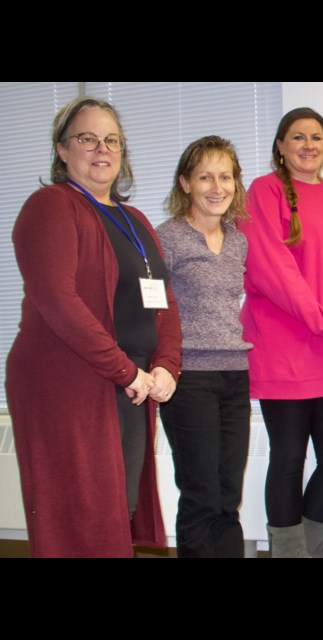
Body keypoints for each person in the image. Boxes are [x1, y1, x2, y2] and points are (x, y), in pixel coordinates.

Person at [7, 97, 181, 557]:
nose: (101, 149)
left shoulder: (135, 219)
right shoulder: (50, 206)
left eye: (112, 140)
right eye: (87, 138)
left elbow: (163, 302)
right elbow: (58, 302)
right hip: (68, 383)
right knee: (79, 514)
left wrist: (166, 364)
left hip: (130, 381)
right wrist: (125, 370)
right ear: (63, 150)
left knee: (116, 506)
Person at [240, 107, 323, 558]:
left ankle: (311, 551)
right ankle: (288, 554)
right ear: (280, 145)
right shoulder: (264, 191)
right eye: (298, 137)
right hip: (285, 348)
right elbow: (273, 273)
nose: (308, 145)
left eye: (316, 137)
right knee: (290, 458)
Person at [157, 136, 252, 558]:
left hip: (235, 375)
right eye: (205, 177)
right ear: (185, 184)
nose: (217, 187)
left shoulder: (238, 241)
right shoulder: (166, 239)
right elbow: (153, 311)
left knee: (229, 493)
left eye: (226, 176)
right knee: (201, 493)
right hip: (188, 378)